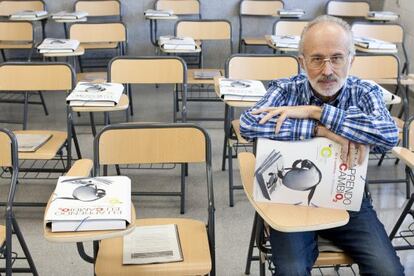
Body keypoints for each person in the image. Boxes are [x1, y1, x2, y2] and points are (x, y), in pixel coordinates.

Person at [240, 15, 404, 276]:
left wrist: (316, 113)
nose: (327, 70)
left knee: (388, 271)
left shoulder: (365, 92)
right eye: (317, 59)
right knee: (292, 270)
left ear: (351, 60)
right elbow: (249, 124)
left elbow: (387, 136)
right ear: (302, 62)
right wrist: (322, 131)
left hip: (348, 199)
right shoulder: (285, 89)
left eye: (337, 58)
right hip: (289, 200)